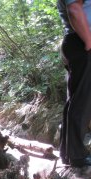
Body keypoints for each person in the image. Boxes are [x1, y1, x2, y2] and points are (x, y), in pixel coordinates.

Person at [58, 0, 91, 167]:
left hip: (76, 42)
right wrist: (89, 42)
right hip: (81, 43)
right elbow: (74, 9)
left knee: (76, 99)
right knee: (83, 100)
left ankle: (68, 153)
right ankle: (77, 156)